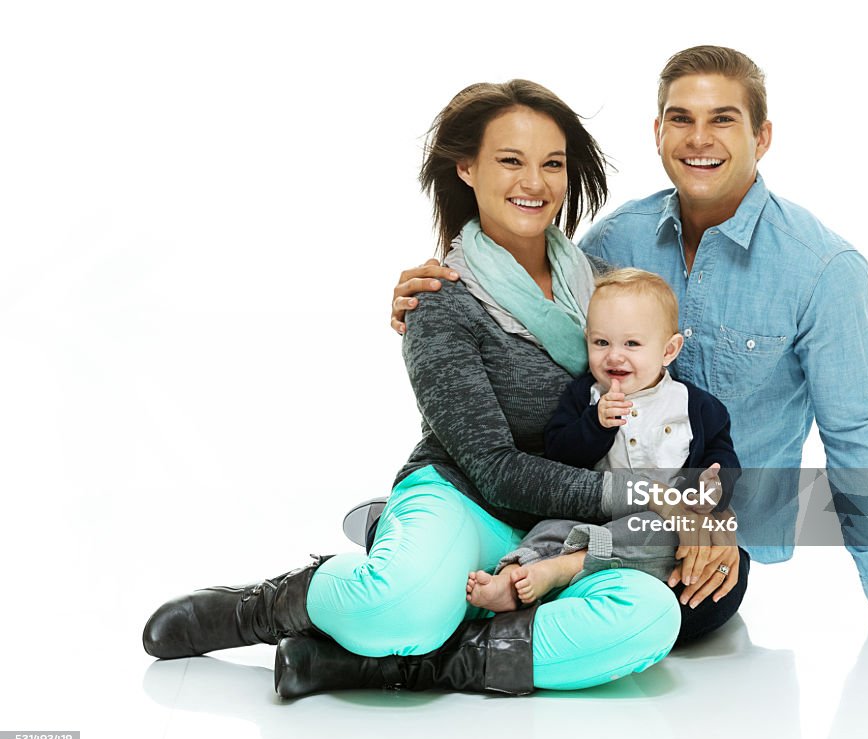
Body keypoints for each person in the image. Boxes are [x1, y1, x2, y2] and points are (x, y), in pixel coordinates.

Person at [143, 78, 749, 701]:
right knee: (399, 609)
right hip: (470, 498)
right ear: (466, 168)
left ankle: (407, 666)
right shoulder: (439, 301)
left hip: (562, 528)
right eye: (510, 161)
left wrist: (708, 508)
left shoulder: (602, 289)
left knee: (650, 617)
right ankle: (269, 607)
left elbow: (672, 412)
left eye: (552, 163)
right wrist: (656, 498)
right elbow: (492, 469)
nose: (534, 183)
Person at [390, 46, 868, 623]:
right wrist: (436, 290)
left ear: (763, 137)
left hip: (713, 537)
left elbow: (853, 431)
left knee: (680, 614)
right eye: (682, 119)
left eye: (723, 120)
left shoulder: (822, 269)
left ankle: (499, 614)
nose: (699, 139)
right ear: (657, 132)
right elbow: (530, 313)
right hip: (580, 505)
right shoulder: (612, 246)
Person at [467, 267, 743, 612]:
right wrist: (596, 425)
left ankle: (564, 568)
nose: (614, 355)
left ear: (668, 350)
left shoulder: (696, 406)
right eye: (601, 342)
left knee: (670, 535)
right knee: (550, 527)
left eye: (632, 344)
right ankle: (513, 574)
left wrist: (714, 489)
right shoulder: (585, 396)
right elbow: (559, 454)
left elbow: (723, 458)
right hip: (592, 513)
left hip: (657, 520)